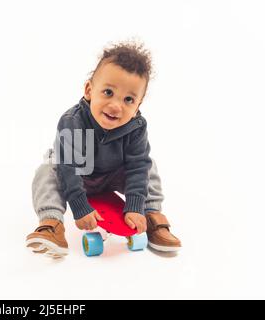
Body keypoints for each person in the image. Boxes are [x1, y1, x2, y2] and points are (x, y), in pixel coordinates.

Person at [26, 41, 182, 258]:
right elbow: (69, 168)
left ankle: (151, 213)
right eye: (108, 92)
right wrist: (80, 208)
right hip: (77, 173)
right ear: (90, 90)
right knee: (48, 169)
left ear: (139, 104)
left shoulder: (136, 127)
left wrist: (135, 206)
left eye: (129, 99)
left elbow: (137, 167)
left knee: (148, 166)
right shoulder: (74, 122)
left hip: (113, 174)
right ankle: (52, 224)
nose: (117, 106)